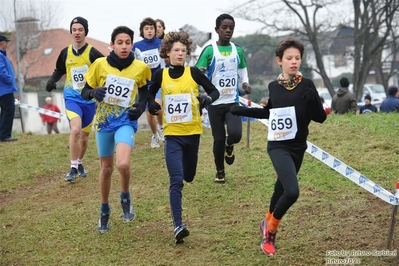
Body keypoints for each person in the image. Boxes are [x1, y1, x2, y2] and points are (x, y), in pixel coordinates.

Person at [230, 37, 327, 256]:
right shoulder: (273, 86)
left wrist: (313, 100)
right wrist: (241, 110)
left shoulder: (308, 84)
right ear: (279, 60)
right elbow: (268, 112)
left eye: (298, 58)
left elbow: (320, 118)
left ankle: (265, 221)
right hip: (278, 145)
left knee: (281, 188)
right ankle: (270, 232)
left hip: (297, 147)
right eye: (289, 58)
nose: (294, 62)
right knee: (292, 191)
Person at [147, 30, 219, 244]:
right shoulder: (161, 75)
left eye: (184, 51)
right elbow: (150, 93)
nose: (180, 54)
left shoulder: (194, 73)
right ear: (167, 52)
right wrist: (151, 104)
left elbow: (213, 91)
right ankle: (178, 225)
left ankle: (179, 221)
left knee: (188, 176)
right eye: (176, 50)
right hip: (173, 135)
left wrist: (206, 99)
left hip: (193, 134)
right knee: (176, 181)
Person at [81, 25, 151, 234]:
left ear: (132, 44)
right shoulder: (99, 65)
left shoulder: (140, 67)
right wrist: (94, 92)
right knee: (107, 169)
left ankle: (125, 196)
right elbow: (84, 91)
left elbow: (145, 93)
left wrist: (140, 108)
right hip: (103, 123)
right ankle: (104, 209)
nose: (124, 46)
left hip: (125, 122)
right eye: (119, 43)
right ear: (111, 44)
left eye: (127, 42)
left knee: (123, 163)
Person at [46, 16, 104, 182]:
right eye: (74, 29)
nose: (77, 32)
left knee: (84, 139)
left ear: (85, 31)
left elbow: (105, 68)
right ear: (71, 31)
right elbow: (59, 69)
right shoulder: (66, 52)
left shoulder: (93, 52)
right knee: (75, 130)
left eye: (80, 29)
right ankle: (72, 168)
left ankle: (79, 162)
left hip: (89, 100)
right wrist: (52, 80)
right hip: (72, 98)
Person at [195, 13, 252, 184]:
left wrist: (245, 83)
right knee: (217, 139)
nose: (228, 31)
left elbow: (242, 68)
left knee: (235, 134)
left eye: (231, 28)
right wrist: (203, 88)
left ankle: (230, 144)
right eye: (224, 28)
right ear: (217, 30)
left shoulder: (238, 50)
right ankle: (220, 171)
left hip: (232, 101)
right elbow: (198, 73)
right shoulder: (210, 50)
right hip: (214, 103)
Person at [133, 17, 165, 148]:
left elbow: (166, 61)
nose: (149, 31)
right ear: (142, 31)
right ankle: (154, 135)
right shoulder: (137, 46)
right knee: (148, 113)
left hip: (158, 82)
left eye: (151, 28)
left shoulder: (161, 43)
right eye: (146, 29)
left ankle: (162, 128)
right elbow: (134, 66)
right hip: (144, 84)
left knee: (157, 105)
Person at [0, 34, 18, 142]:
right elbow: (1, 70)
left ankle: (2, 134)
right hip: (4, 89)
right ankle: (5, 135)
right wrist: (10, 80)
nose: (7, 45)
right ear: (2, 43)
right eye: (6, 42)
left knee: (5, 111)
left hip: (4, 89)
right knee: (8, 110)